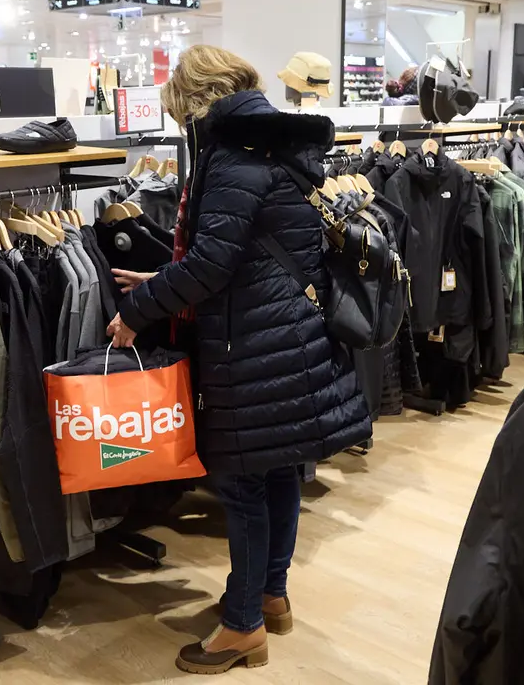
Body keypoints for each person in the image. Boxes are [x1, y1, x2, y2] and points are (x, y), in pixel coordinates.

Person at [106, 45, 372, 675]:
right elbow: (248, 254)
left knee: (242, 487)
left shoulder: (230, 158)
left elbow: (212, 263)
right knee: (278, 474)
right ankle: (269, 595)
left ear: (197, 103)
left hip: (251, 348)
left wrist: (139, 306)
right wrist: (161, 275)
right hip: (287, 338)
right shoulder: (275, 143)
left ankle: (242, 627)